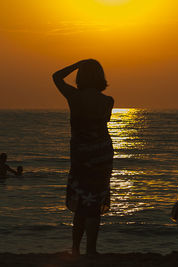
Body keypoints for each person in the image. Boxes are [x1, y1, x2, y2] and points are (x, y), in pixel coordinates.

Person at [52, 59, 114, 256]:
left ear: (80, 77)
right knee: (94, 203)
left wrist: (78, 64)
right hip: (102, 153)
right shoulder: (108, 101)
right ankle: (92, 250)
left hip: (81, 154)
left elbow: (56, 77)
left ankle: (76, 249)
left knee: (81, 201)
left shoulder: (74, 96)